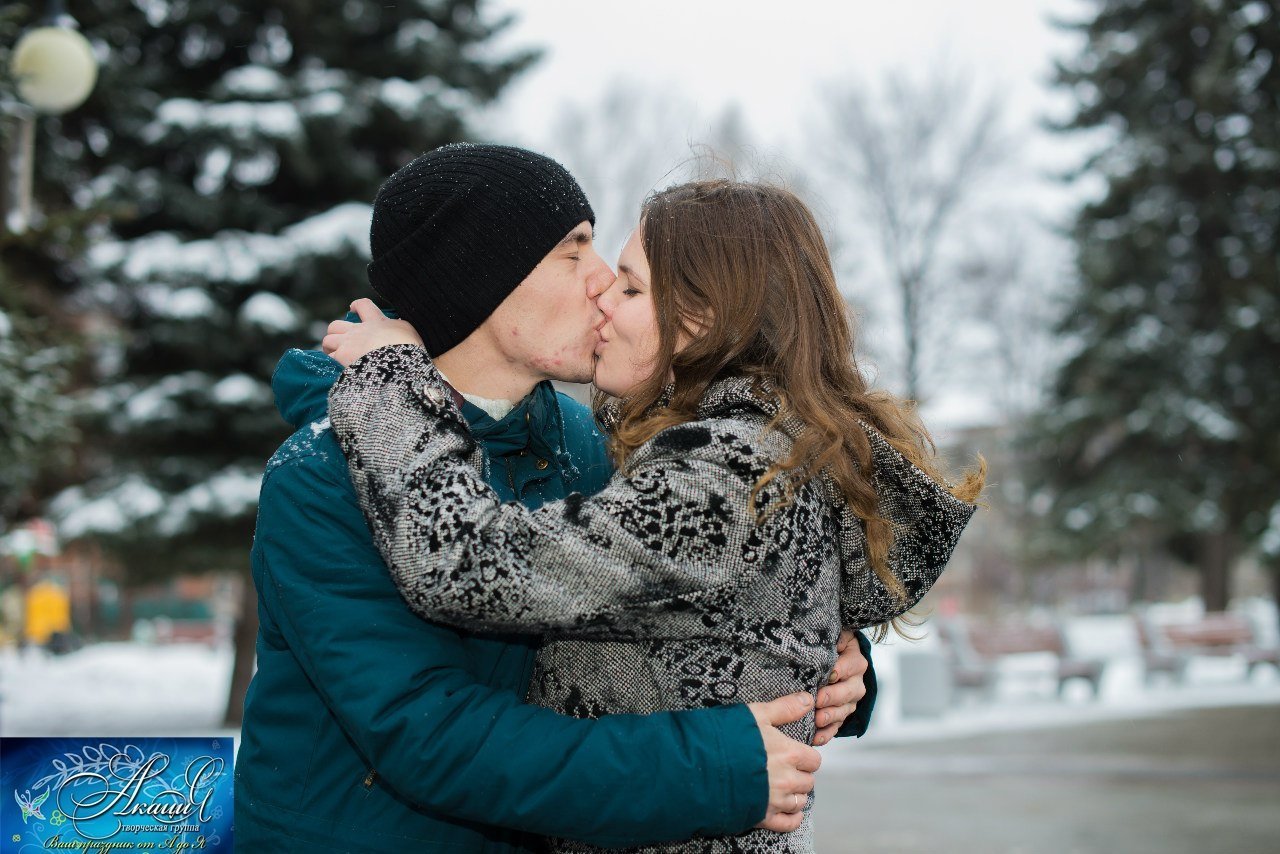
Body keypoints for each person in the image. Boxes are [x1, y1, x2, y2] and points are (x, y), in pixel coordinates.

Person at [236, 145, 875, 853]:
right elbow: (430, 732)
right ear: (481, 282)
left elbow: (673, 582)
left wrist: (815, 650)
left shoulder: (581, 437)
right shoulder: (321, 474)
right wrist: (716, 767)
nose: (604, 282)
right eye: (574, 253)